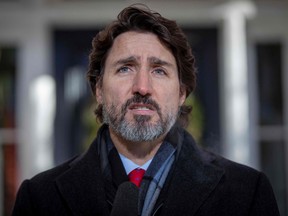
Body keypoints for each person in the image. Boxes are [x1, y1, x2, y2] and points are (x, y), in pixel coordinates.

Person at [12, 4, 279, 216]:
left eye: (159, 70)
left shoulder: (246, 193)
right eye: (125, 68)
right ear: (99, 91)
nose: (142, 87)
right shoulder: (39, 198)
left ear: (181, 94)